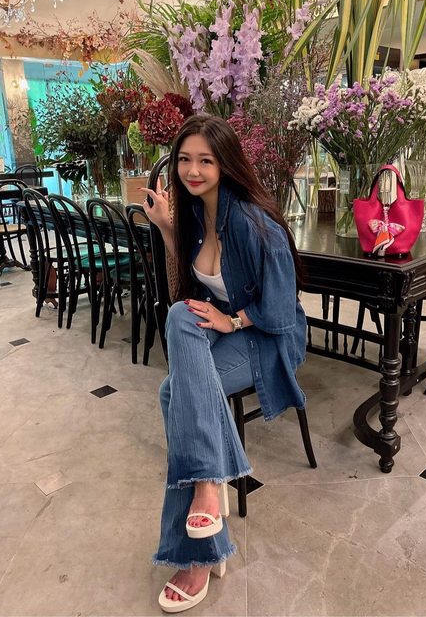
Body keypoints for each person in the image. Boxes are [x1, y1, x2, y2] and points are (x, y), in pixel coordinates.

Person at [143, 114, 307, 613]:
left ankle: (200, 546)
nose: (192, 171)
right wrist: (167, 228)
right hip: (222, 325)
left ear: (225, 164)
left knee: (173, 393)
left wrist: (232, 320)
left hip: (268, 337)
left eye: (205, 161)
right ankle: (209, 494)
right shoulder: (196, 215)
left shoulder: (255, 223)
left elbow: (280, 309)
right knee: (178, 315)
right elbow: (191, 288)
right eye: (184, 160)